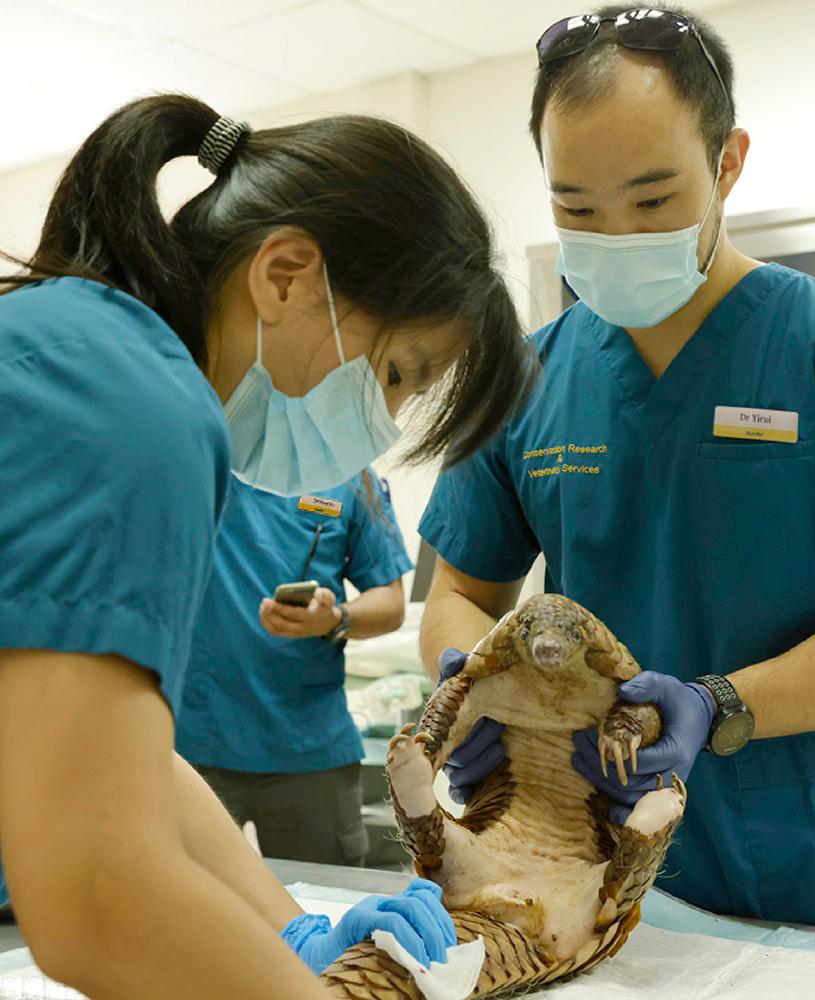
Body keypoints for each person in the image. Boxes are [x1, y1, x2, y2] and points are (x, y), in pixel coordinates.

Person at [418, 4, 815, 932]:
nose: (615, 235)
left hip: (796, 864)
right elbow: (457, 594)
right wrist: (477, 690)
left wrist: (717, 705)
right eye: (576, 209)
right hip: (576, 852)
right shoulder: (524, 378)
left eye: (651, 201)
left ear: (727, 163)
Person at [0, 94, 534, 998]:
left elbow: (116, 759)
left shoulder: (84, 349)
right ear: (284, 277)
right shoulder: (130, 407)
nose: (381, 424)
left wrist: (291, 930)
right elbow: (98, 896)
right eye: (394, 374)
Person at [177, 471, 413, 866]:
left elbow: (390, 601)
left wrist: (335, 618)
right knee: (180, 899)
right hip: (195, 747)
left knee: (327, 898)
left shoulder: (347, 474)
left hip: (310, 752)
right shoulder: (198, 457)